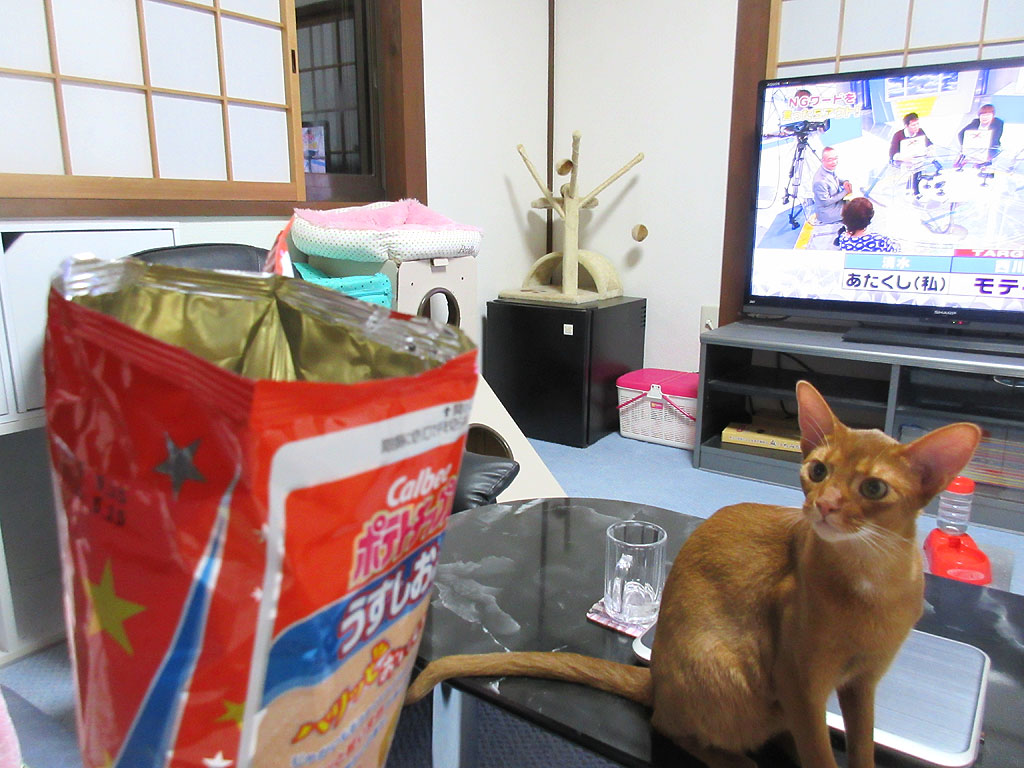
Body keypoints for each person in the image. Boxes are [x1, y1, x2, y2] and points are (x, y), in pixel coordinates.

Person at [811, 146, 852, 225]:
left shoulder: (827, 169)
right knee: (856, 210)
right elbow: (826, 202)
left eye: (835, 158)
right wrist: (845, 191)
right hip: (827, 212)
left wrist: (844, 182)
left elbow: (834, 178)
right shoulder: (820, 181)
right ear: (822, 160)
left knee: (856, 203)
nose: (834, 162)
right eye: (830, 160)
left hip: (836, 203)